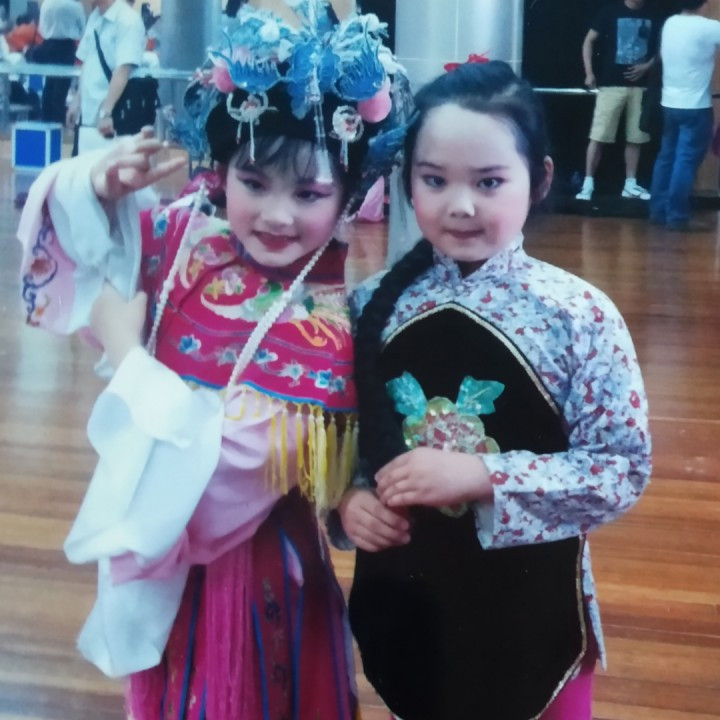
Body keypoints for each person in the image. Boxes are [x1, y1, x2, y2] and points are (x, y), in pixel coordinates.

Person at [17, 4, 408, 719]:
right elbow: (82, 252)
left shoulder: (322, 333)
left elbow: (206, 477)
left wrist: (128, 356)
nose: (278, 215)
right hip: (171, 564)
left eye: (310, 193)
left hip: (250, 573)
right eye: (253, 182)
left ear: (349, 198)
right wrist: (100, 185)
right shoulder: (188, 238)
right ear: (221, 171)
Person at [337, 61, 652, 720]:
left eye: (488, 182)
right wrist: (347, 504)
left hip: (532, 618)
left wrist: (483, 475)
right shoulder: (366, 307)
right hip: (408, 610)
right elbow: (339, 445)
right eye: (434, 180)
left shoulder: (578, 315)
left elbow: (620, 469)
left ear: (540, 179)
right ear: (406, 181)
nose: (460, 205)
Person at [575, 0, 658, 202]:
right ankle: (588, 183)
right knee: (599, 135)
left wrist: (647, 66)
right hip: (611, 84)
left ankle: (630, 184)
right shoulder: (609, 12)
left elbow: (663, 49)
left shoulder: (653, 15)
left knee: (636, 137)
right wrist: (589, 73)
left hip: (640, 86)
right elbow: (588, 41)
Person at [649, 0, 720, 231]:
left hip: (669, 103)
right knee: (686, 161)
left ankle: (658, 211)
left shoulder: (670, 22)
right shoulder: (709, 27)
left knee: (666, 158)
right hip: (696, 107)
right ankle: (677, 216)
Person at [66, 0, 144, 153]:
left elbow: (123, 69)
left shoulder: (128, 20)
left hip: (113, 118)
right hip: (87, 117)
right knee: (85, 166)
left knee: (111, 165)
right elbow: (88, 62)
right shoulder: (95, 17)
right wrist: (77, 100)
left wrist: (106, 112)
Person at [32, 0, 85, 123]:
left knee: (49, 84)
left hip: (48, 45)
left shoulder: (47, 4)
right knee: (61, 87)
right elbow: (82, 28)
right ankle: (58, 121)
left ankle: (46, 119)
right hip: (67, 47)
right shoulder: (75, 6)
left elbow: (42, 28)